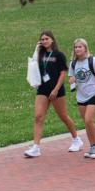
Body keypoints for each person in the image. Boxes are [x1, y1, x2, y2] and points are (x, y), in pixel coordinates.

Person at [24, 30, 83, 158]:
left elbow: (63, 73)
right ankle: (36, 147)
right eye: (42, 39)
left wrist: (56, 89)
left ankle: (76, 139)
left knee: (63, 116)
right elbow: (33, 65)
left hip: (56, 90)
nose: (44, 41)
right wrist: (36, 49)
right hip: (43, 89)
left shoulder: (58, 55)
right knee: (38, 116)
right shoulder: (40, 54)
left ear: (52, 40)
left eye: (47, 39)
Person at [69, 38, 95, 159]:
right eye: (76, 47)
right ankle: (92, 146)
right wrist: (72, 80)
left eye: (80, 47)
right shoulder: (73, 63)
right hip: (81, 96)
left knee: (88, 120)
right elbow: (71, 78)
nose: (77, 49)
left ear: (85, 48)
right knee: (86, 123)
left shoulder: (92, 60)